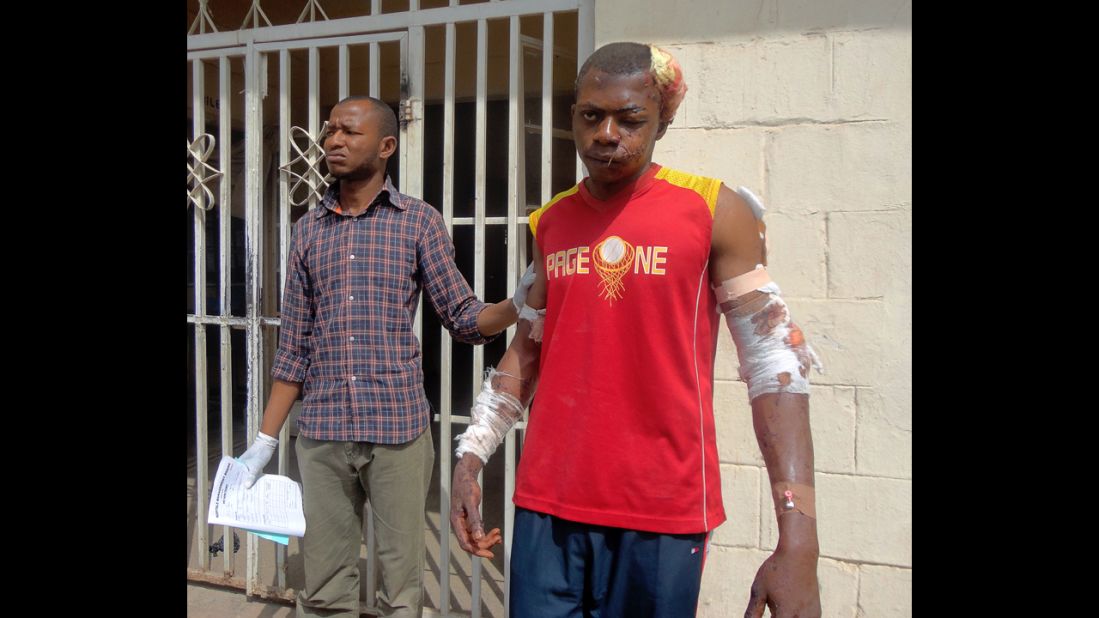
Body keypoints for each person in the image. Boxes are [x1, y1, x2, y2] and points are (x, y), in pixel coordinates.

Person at [449, 43, 823, 618]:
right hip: (549, 504)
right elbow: (527, 349)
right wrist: (471, 457)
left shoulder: (714, 210)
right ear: (573, 116)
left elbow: (776, 367)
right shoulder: (550, 222)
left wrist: (798, 539)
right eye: (592, 115)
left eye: (630, 119)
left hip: (663, 512)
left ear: (663, 122)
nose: (607, 133)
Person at [235, 95, 535, 618]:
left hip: (398, 432)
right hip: (323, 433)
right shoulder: (308, 231)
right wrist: (262, 443)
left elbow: (462, 317)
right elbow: (294, 349)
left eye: (349, 131)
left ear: (387, 146)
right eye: (330, 130)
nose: (334, 140)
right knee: (325, 588)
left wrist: (518, 305)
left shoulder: (417, 222)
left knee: (401, 588)